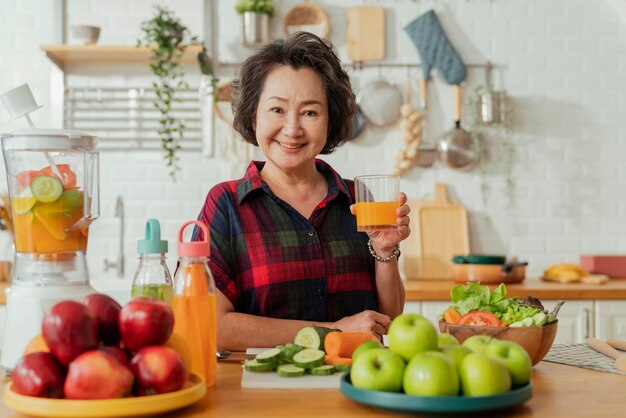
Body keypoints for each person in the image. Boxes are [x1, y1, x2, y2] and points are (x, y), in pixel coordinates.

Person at [195, 32, 411, 351]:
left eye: (310, 112)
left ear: (329, 120)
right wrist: (332, 332)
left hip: (357, 382)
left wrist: (385, 253)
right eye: (277, 110)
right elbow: (212, 324)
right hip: (264, 390)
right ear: (253, 116)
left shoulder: (356, 197)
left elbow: (388, 315)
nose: (293, 129)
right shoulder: (226, 204)